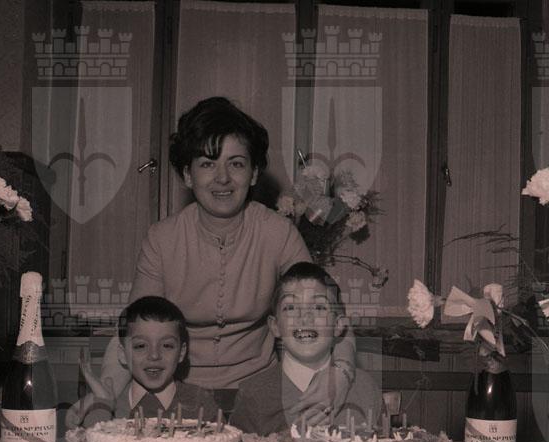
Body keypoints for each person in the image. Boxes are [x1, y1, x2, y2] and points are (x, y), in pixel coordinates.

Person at [98, 96, 356, 423]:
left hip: (262, 400)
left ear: (254, 173)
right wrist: (102, 397)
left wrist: (340, 374)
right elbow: (130, 333)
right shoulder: (162, 239)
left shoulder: (279, 233)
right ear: (187, 175)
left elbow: (331, 319)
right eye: (208, 164)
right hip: (180, 401)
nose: (222, 178)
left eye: (236, 164)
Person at [230, 262, 381, 436]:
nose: (305, 317)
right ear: (275, 326)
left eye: (319, 307)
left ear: (338, 325)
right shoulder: (253, 395)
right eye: (291, 307)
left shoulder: (367, 389)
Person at [74, 296, 218, 427]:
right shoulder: (113, 405)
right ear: (123, 354)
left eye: (167, 345)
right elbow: (93, 438)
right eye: (141, 346)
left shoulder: (201, 402)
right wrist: (103, 401)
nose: (154, 355)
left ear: (181, 352)